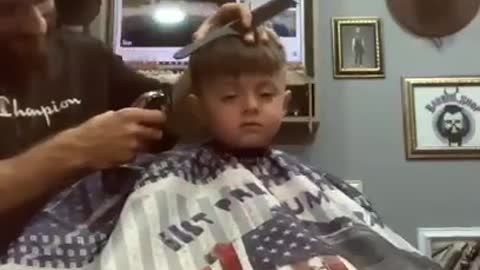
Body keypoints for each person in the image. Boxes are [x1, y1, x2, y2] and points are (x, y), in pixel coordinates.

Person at [95, 29, 444, 269]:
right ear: (198, 108)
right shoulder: (166, 177)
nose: (250, 106)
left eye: (265, 95)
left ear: (285, 102)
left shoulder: (318, 182)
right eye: (230, 96)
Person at [0, 0, 272, 265]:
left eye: (40, 3)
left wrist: (206, 53)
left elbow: (169, 118)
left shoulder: (85, 54)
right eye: (9, 10)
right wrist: (77, 149)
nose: (36, 25)